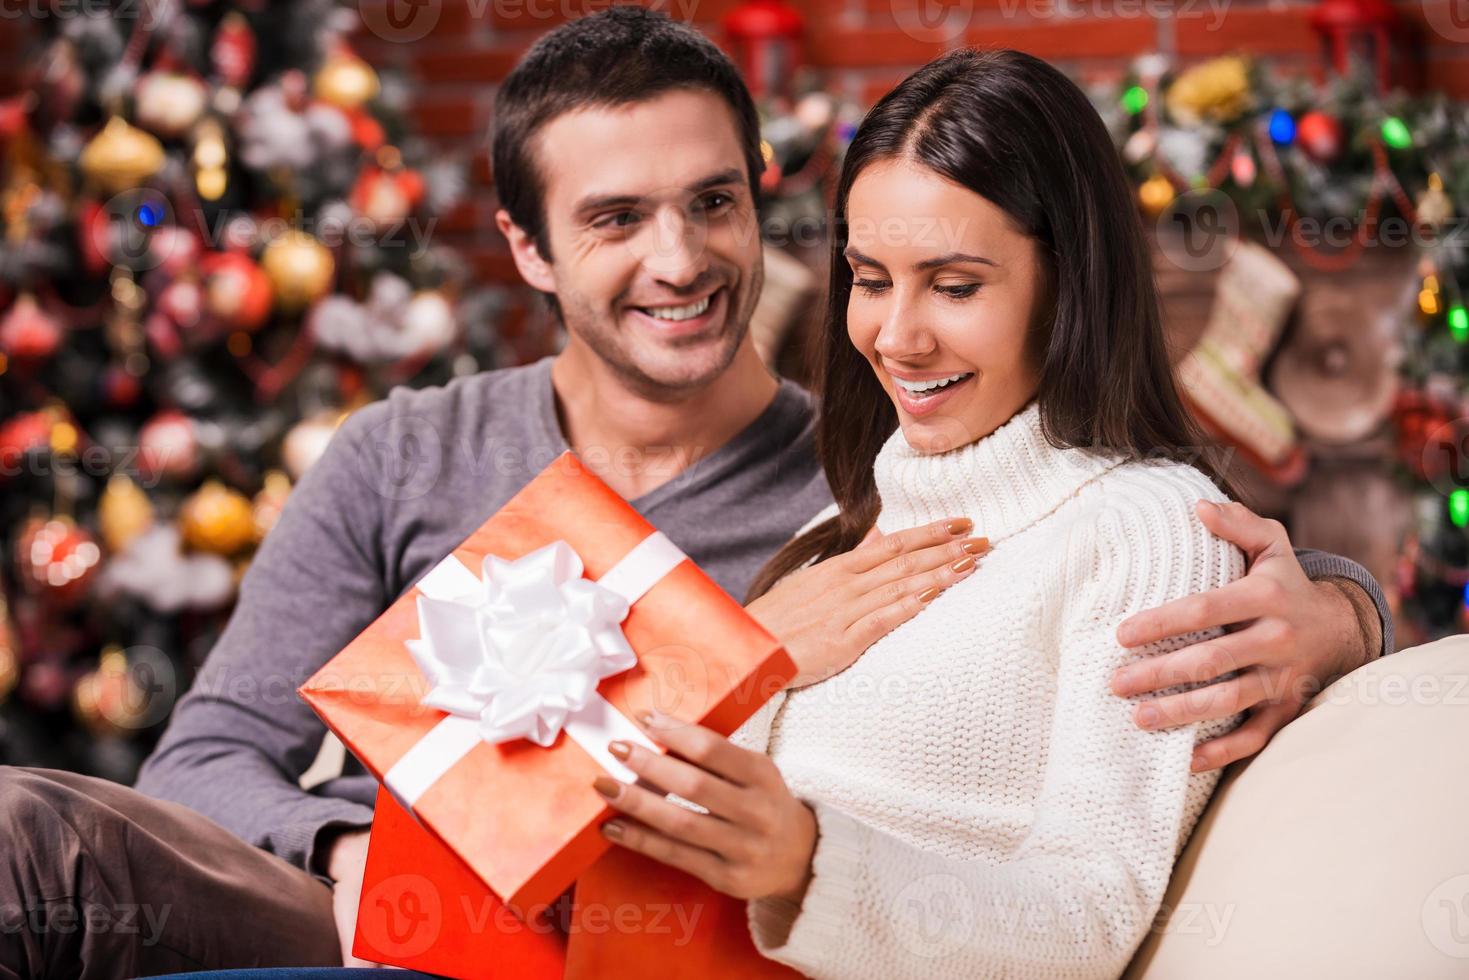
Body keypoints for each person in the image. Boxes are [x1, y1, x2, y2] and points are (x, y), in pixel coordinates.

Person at [0, 11, 1389, 978]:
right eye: (613, 219)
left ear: (757, 200)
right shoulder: (405, 456)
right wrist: (359, 855)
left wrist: (1345, 616)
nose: (679, 260)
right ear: (526, 249)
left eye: (713, 204)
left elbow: (1125, 551)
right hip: (371, 906)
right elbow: (202, 764)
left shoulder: (844, 492)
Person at [585, 46, 1378, 979]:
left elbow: (1088, 915)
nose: (897, 337)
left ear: (1067, 281)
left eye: (955, 287)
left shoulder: (1148, 531)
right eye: (871, 281)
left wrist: (807, 862)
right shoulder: (831, 543)